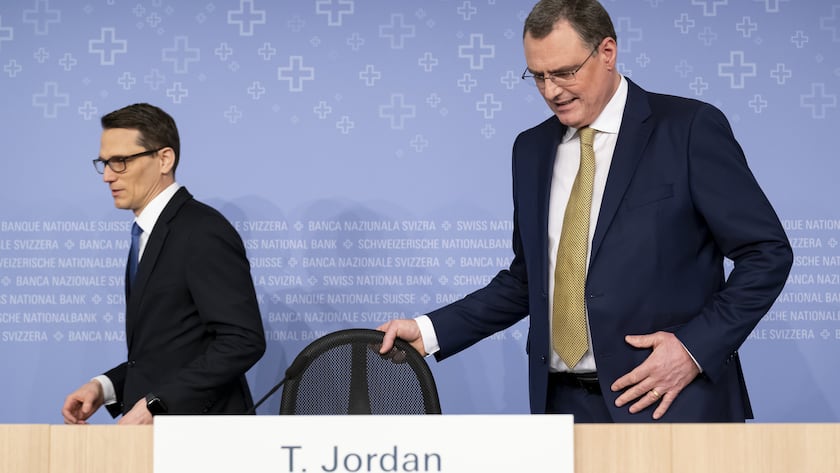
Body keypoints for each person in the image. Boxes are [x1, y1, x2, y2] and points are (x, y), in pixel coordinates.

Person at [378, 0, 792, 422]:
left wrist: (692, 349)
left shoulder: (687, 128)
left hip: (672, 402)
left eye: (563, 72)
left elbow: (767, 252)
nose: (551, 90)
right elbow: (528, 282)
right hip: (561, 407)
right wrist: (428, 332)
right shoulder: (531, 149)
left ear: (607, 53)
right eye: (538, 76)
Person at [62, 103, 266, 424]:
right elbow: (169, 350)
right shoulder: (149, 233)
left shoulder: (202, 230)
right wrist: (104, 387)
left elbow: (242, 341)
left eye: (121, 162)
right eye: (104, 163)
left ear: (164, 159)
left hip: (205, 441)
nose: (108, 175)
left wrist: (158, 403)